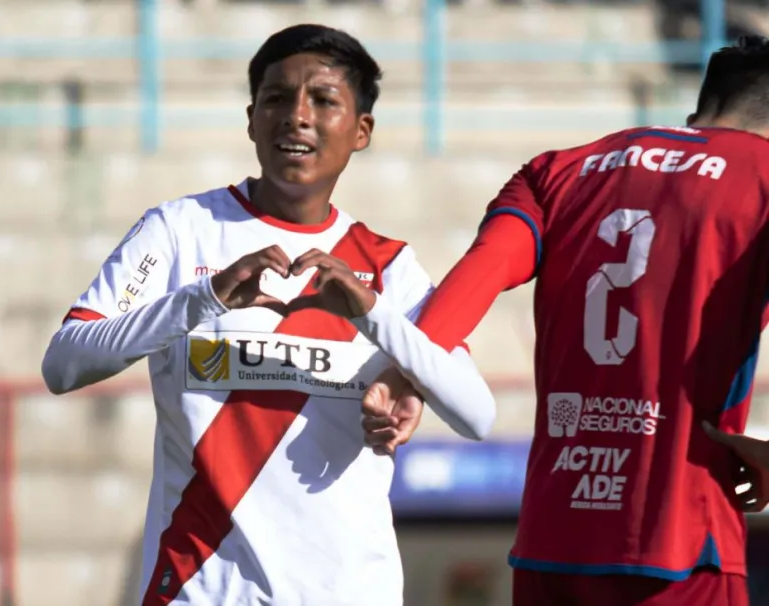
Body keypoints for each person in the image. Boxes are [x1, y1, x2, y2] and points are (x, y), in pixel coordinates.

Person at [41, 24, 496, 606]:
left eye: (323, 100)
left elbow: (476, 414)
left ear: (361, 131)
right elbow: (65, 362)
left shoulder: (389, 267)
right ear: (252, 119)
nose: (297, 117)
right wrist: (203, 299)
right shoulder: (179, 230)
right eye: (278, 98)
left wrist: (372, 314)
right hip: (201, 589)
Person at [364, 35, 769, 606]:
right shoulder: (761, 175)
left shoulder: (556, 169)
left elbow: (484, 268)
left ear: (700, 107)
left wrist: (409, 375)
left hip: (552, 543)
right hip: (681, 540)